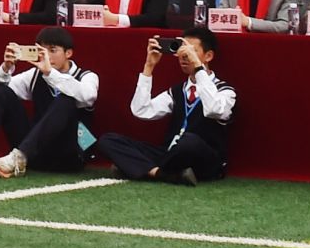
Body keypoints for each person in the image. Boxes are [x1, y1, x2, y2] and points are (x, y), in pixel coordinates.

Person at [0, 26, 98, 178]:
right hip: (34, 152)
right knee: (2, 90)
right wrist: (6, 68)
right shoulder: (35, 75)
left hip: (69, 155)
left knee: (67, 99)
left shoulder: (87, 76)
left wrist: (50, 73)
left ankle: (18, 158)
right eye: (42, 51)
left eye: (53, 50)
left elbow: (88, 96)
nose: (46, 56)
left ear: (68, 53)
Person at [98, 27, 236, 185]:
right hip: (170, 154)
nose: (184, 56)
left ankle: (138, 168)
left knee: (189, 141)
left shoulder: (225, 91)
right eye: (181, 50)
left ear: (208, 56)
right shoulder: (177, 91)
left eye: (191, 51)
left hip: (203, 158)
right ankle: (161, 173)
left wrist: (198, 67)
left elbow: (214, 109)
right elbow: (141, 111)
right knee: (107, 140)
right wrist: (149, 66)